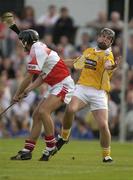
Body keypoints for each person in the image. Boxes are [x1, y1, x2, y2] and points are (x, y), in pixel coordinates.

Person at [56, 28, 121, 162]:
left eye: (108, 38)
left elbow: (108, 65)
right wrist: (57, 61)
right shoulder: (89, 51)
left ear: (111, 42)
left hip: (99, 92)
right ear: (98, 37)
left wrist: (112, 67)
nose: (105, 39)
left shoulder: (108, 55)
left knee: (103, 125)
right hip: (82, 88)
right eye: (103, 36)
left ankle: (106, 156)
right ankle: (64, 137)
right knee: (70, 109)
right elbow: (75, 63)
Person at [10, 29, 75, 161]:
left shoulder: (37, 50)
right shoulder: (39, 48)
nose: (21, 45)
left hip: (64, 84)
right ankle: (27, 150)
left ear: (26, 42)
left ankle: (51, 145)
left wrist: (17, 94)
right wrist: (28, 89)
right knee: (36, 115)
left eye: (22, 42)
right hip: (56, 85)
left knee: (44, 111)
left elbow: (29, 77)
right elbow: (42, 76)